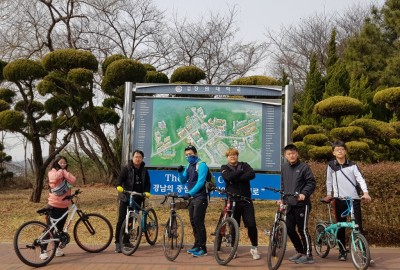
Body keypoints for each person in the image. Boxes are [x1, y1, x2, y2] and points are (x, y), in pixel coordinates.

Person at [324, 140, 372, 262]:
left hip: (354, 200)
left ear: (346, 151)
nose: (340, 151)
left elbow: (360, 179)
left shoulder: (352, 165)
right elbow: (329, 181)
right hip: (339, 200)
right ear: (333, 152)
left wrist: (365, 193)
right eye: (337, 149)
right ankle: (342, 251)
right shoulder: (331, 166)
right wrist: (329, 195)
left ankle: (364, 254)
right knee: (341, 226)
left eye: (342, 149)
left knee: (358, 227)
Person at [220, 148, 260, 260]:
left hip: (246, 200)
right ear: (227, 157)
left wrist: (235, 178)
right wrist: (240, 172)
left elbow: (252, 174)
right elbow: (227, 177)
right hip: (233, 201)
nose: (232, 157)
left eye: (234, 155)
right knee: (233, 226)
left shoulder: (245, 164)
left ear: (237, 156)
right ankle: (234, 248)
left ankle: (254, 248)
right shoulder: (224, 167)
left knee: (251, 224)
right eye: (230, 155)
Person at [281, 144, 316, 264]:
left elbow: (311, 182)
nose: (291, 155)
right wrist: (282, 198)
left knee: (302, 229)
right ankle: (300, 251)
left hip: (302, 204)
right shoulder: (284, 167)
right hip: (289, 204)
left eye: (293, 153)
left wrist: (304, 194)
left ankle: (308, 255)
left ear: (297, 154)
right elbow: (283, 185)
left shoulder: (304, 167)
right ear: (285, 155)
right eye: (289, 154)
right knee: (289, 229)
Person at [41, 155, 77, 260]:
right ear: (56, 163)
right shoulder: (52, 172)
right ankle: (43, 250)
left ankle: (56, 249)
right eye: (61, 162)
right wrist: (62, 170)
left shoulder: (65, 173)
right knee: (49, 230)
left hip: (64, 206)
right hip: (53, 205)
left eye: (64, 163)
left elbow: (73, 180)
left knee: (59, 230)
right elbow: (54, 178)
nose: (63, 164)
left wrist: (64, 172)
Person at [115, 150, 151, 253]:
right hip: (126, 197)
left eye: (140, 157)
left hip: (138, 198)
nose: (137, 158)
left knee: (133, 220)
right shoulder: (126, 168)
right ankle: (118, 243)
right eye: (136, 156)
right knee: (121, 219)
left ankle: (126, 241)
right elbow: (120, 179)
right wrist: (118, 186)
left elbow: (148, 183)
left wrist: (147, 192)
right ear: (133, 157)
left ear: (142, 158)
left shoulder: (144, 170)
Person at [177, 145, 209, 257]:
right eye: (186, 155)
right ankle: (197, 245)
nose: (188, 156)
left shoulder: (202, 165)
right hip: (192, 198)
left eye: (190, 154)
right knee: (193, 221)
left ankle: (203, 248)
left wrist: (190, 193)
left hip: (201, 197)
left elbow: (200, 182)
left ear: (195, 153)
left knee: (198, 221)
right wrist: (180, 172)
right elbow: (183, 181)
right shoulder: (189, 165)